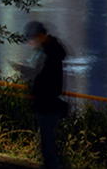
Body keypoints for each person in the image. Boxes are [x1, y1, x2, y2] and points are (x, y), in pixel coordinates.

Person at [17, 21, 67, 169]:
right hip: (47, 104)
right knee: (48, 144)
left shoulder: (48, 54)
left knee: (48, 145)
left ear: (39, 36)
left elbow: (39, 76)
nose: (31, 43)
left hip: (47, 105)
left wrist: (24, 70)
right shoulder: (52, 52)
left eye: (32, 39)